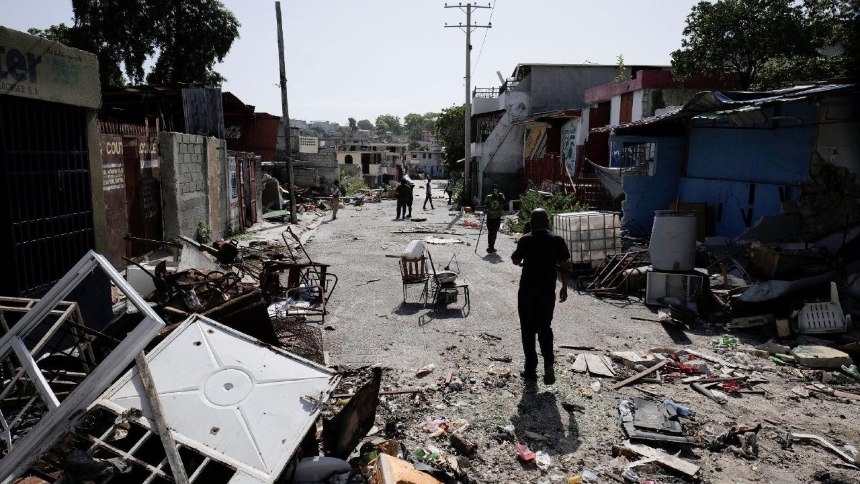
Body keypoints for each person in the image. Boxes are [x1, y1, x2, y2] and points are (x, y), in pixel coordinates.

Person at [511, 208, 570, 385]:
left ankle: (530, 370)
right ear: (547, 222)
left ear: (531, 222)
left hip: (527, 292)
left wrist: (524, 260)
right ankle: (548, 364)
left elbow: (515, 259)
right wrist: (564, 287)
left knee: (527, 329)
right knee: (544, 327)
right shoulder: (557, 240)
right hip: (547, 291)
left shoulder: (526, 239)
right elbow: (564, 266)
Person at [483, 184, 506, 253]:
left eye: (496, 189)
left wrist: (498, 196)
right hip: (490, 217)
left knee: (494, 232)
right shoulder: (488, 197)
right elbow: (485, 205)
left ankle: (491, 246)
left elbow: (504, 203)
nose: (495, 190)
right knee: (491, 232)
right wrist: (486, 208)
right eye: (494, 189)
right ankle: (490, 247)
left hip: (497, 217)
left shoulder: (501, 196)